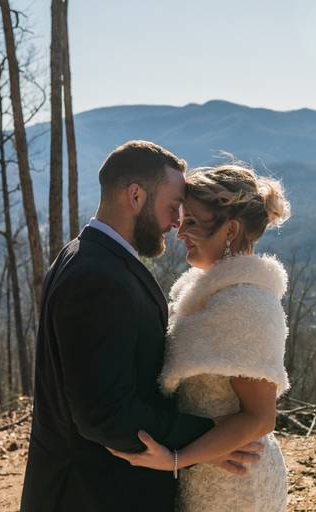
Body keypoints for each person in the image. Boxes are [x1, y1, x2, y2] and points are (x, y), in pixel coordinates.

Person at [21, 141, 262, 512]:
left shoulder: (86, 256)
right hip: (95, 493)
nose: (176, 221)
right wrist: (207, 438)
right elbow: (106, 415)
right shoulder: (98, 277)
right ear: (135, 195)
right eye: (172, 206)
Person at [108, 163, 292, 512]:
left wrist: (178, 458)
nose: (179, 232)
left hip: (237, 483)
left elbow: (259, 417)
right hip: (208, 470)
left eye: (191, 221)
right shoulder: (207, 295)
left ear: (230, 229)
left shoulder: (246, 304)